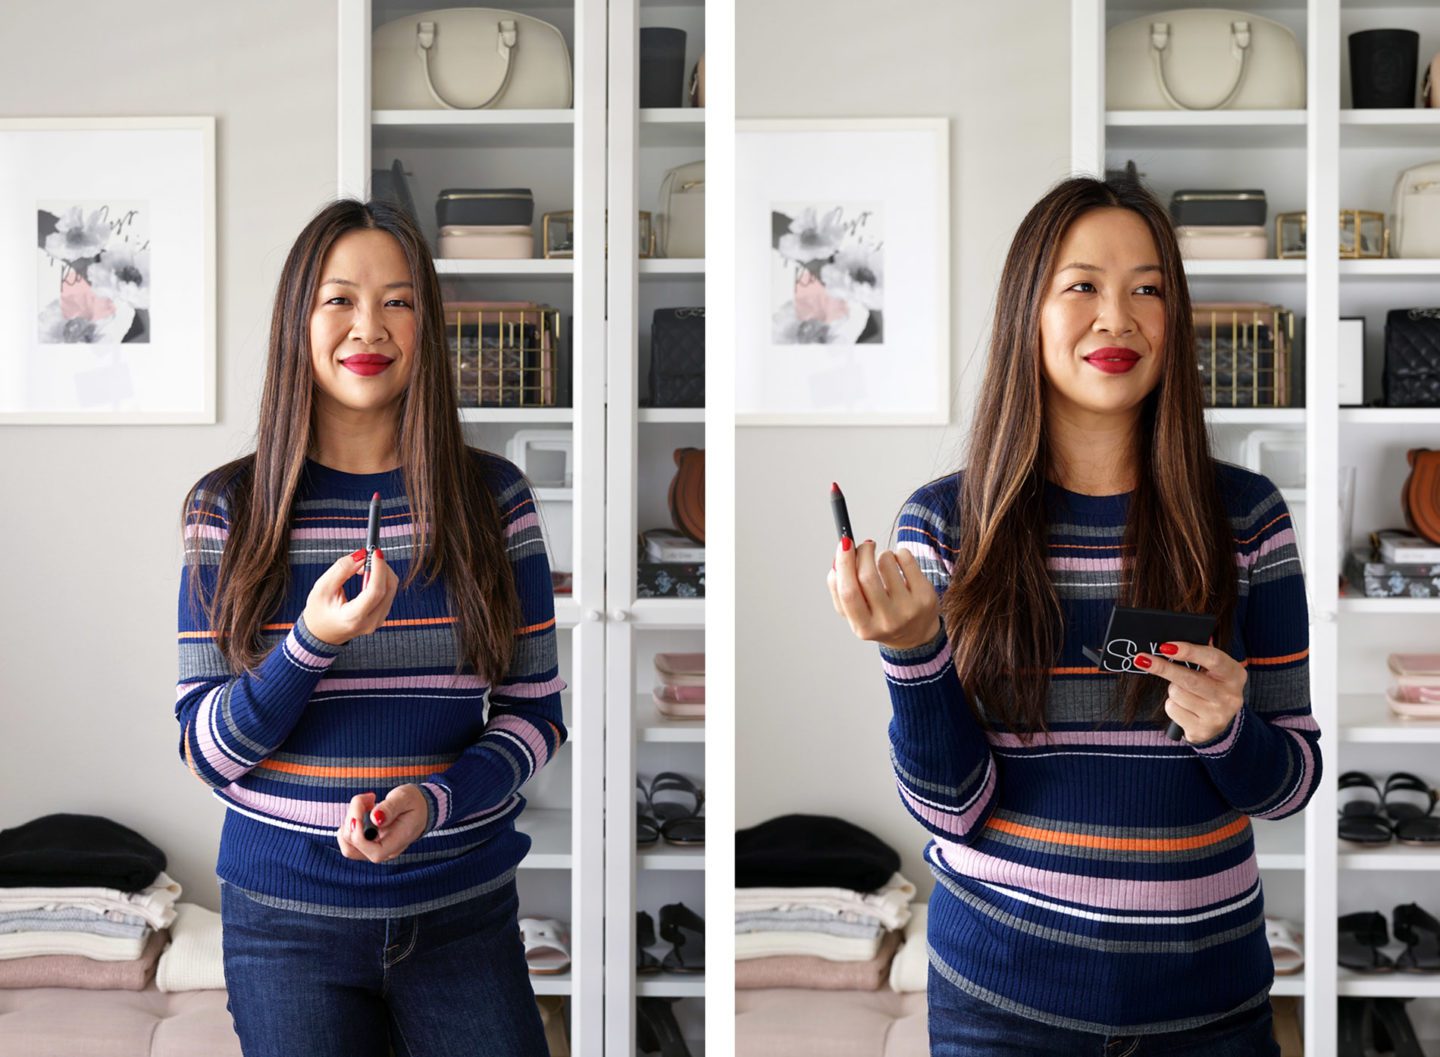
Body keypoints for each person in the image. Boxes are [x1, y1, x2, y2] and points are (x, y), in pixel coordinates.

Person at [828, 176, 1321, 1056]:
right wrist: (914, 652)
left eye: (1148, 288)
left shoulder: (1248, 517)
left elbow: (1288, 784)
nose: (1117, 317)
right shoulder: (946, 524)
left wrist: (1227, 730)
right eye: (1083, 285)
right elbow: (950, 808)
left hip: (1208, 1006)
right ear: (1031, 310)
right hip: (1001, 1003)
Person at [175, 199, 563, 1057]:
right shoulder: (228, 510)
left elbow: (536, 713)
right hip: (285, 928)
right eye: (339, 299)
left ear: (425, 325)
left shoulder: (493, 501)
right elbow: (206, 749)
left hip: (463, 913)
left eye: (398, 301)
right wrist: (310, 642)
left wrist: (435, 801)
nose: (369, 327)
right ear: (298, 321)